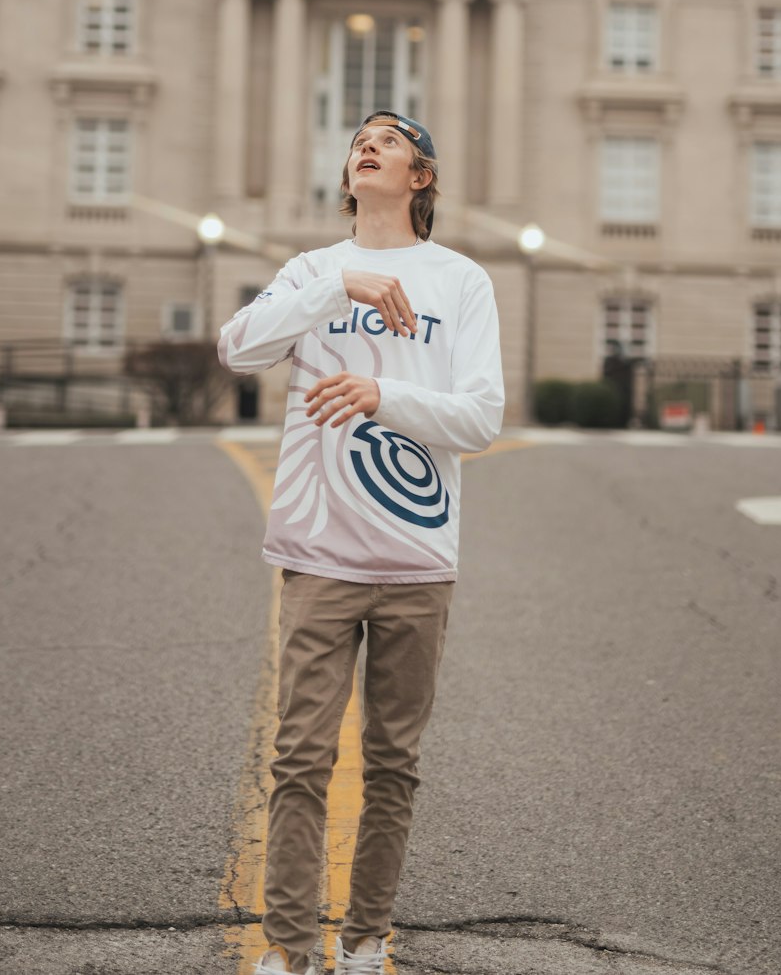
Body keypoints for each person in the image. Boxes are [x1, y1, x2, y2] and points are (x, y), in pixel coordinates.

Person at [218, 111, 505, 975]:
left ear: (421, 177)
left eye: (389, 138)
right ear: (349, 178)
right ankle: (290, 951)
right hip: (317, 551)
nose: (366, 145)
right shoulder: (313, 271)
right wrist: (336, 287)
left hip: (418, 560)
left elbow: (482, 417)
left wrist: (384, 396)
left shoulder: (460, 282)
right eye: (357, 142)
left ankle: (370, 933)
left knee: (392, 763)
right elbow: (238, 348)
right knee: (300, 757)